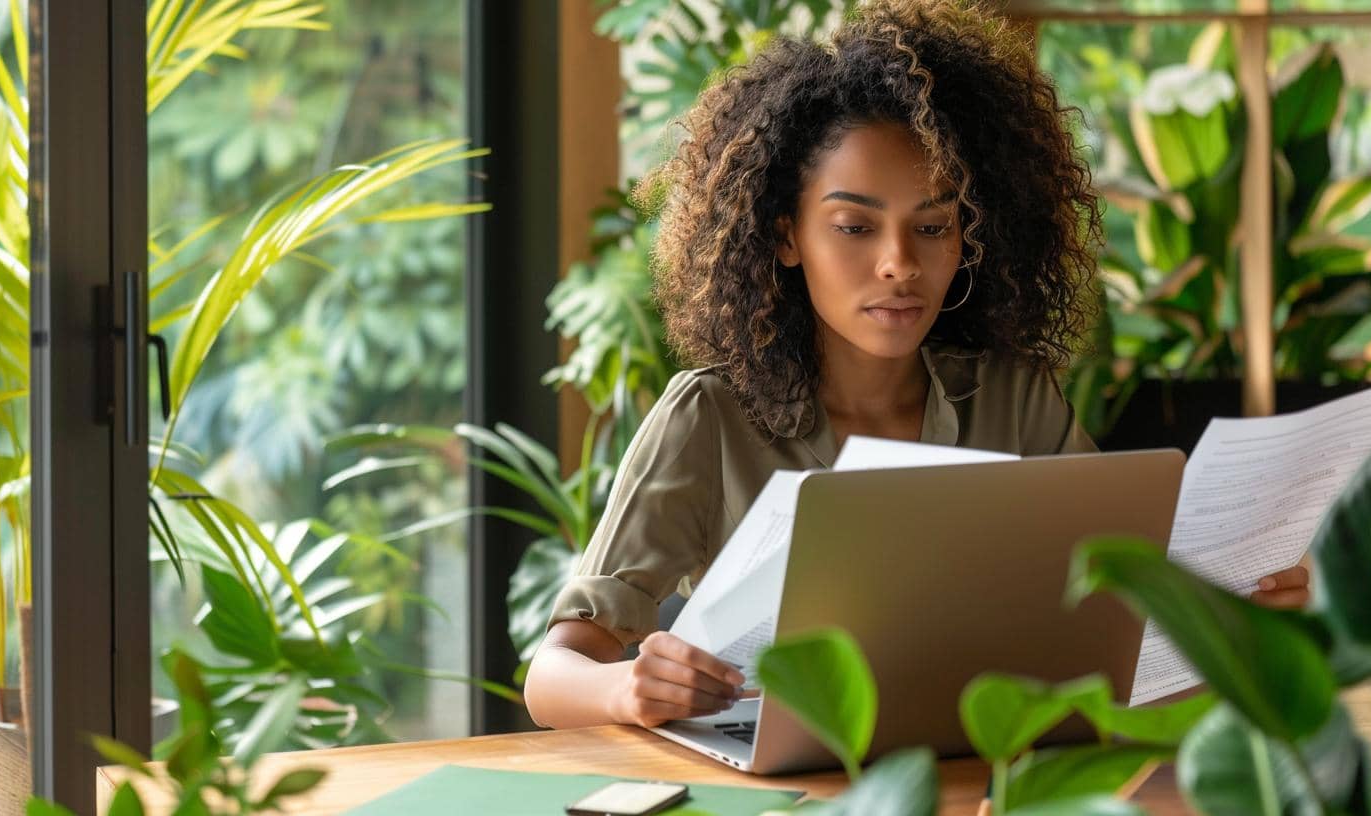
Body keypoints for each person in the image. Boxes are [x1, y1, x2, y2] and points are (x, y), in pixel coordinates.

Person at [523, 0, 1309, 731]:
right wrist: (626, 688)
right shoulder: (710, 419)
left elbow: (1114, 630)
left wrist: (1237, 612)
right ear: (787, 236)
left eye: (932, 227)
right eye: (855, 228)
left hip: (988, 777)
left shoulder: (1015, 402)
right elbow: (553, 675)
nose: (900, 264)